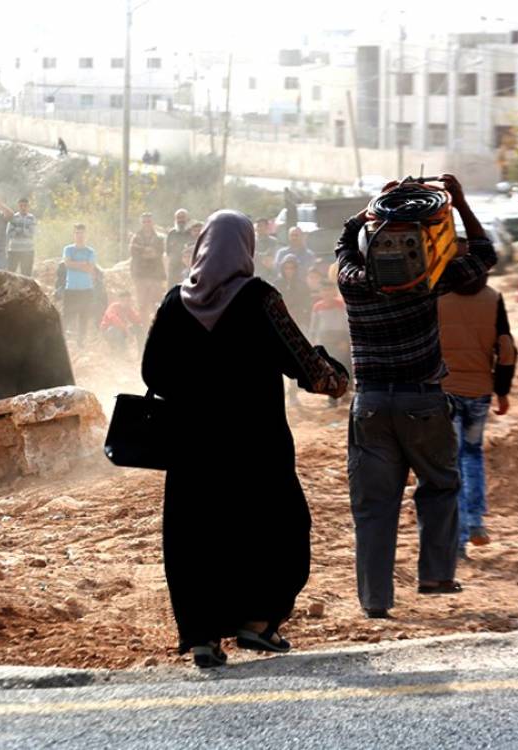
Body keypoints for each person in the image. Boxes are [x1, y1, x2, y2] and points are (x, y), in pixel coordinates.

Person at [142, 210, 348, 668]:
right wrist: (338, 378)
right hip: (257, 448)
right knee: (277, 529)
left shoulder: (173, 303)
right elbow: (306, 365)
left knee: (196, 537)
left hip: (192, 449)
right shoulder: (261, 299)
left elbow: (151, 372)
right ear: (246, 248)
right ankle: (256, 624)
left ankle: (202, 638)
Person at [337, 174, 496, 619]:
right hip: (423, 402)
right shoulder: (430, 281)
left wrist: (375, 208)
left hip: (369, 406)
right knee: (440, 486)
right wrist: (459, 203)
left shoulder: (353, 284)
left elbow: (344, 244)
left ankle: (375, 600)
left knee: (373, 507)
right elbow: (485, 254)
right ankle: (435, 575)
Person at [438, 256, 516, 559]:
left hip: (445, 391)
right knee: (472, 455)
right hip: (480, 392)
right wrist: (503, 390)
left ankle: (456, 541)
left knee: (451, 462)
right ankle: (475, 522)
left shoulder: (439, 300)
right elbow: (506, 348)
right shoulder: (493, 299)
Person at [276, 255, 313, 408]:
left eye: (292, 268)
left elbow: (307, 304)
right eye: (286, 267)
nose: (289, 271)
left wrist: (303, 318)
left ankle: (293, 393)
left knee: (294, 358)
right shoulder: (277, 284)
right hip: (279, 326)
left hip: (297, 325)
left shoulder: (301, 285)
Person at [310, 281, 352, 407]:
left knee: (343, 366)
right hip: (325, 339)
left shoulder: (341, 305)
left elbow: (347, 324)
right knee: (329, 369)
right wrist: (314, 340)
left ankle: (345, 392)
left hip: (340, 338)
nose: (327, 293)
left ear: (334, 291)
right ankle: (332, 399)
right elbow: (314, 326)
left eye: (329, 290)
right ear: (321, 292)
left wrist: (345, 340)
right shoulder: (317, 307)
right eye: (324, 290)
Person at [62, 223, 98, 347]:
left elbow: (90, 269)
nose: (79, 236)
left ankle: (81, 341)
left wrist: (75, 263)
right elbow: (67, 264)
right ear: (74, 234)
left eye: (81, 233)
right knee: (67, 315)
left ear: (85, 234)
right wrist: (83, 264)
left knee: (84, 316)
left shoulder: (90, 251)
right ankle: (61, 340)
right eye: (77, 233)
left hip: (86, 288)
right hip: (71, 287)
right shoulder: (68, 249)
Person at [129, 212, 167, 319]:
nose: (146, 223)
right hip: (140, 274)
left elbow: (158, 252)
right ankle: (144, 329)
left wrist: (144, 251)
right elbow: (133, 252)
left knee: (156, 303)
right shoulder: (135, 237)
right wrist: (147, 251)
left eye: (149, 221)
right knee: (142, 304)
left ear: (152, 222)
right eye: (144, 221)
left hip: (155, 275)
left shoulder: (159, 237)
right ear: (141, 223)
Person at [99, 289, 144, 355]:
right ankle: (122, 353)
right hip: (108, 331)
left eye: (128, 300)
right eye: (124, 300)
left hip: (123, 330)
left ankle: (141, 352)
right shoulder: (113, 307)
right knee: (116, 330)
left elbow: (136, 319)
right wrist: (127, 331)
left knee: (139, 328)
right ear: (120, 300)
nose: (127, 302)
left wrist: (146, 316)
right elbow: (115, 320)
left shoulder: (128, 309)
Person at [6, 198, 38, 277]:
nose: (23, 208)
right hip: (14, 249)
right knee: (10, 273)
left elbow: (33, 232)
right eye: (21, 206)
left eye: (25, 206)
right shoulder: (13, 217)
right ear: (18, 206)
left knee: (26, 275)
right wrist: (24, 231)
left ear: (28, 207)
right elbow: (9, 232)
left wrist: (18, 230)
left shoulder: (32, 218)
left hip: (28, 250)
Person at [165, 209, 190, 287]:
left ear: (187, 218)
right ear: (175, 219)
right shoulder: (171, 234)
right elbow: (168, 251)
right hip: (174, 269)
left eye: (183, 217)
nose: (181, 220)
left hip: (188, 267)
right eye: (178, 218)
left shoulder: (191, 232)